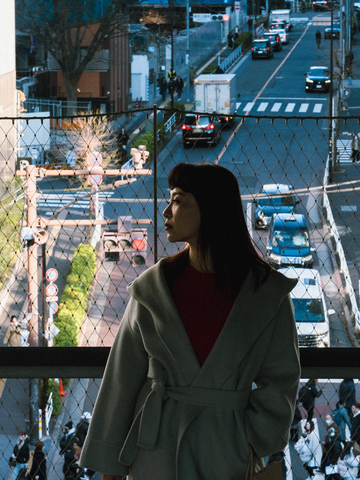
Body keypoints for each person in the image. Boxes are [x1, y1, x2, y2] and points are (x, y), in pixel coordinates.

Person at [79, 163, 301, 480]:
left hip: (227, 452)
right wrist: (110, 465)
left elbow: (282, 380)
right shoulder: (152, 289)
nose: (167, 211)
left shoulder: (267, 295)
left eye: (178, 199)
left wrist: (251, 435)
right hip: (155, 454)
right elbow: (122, 380)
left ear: (209, 208)